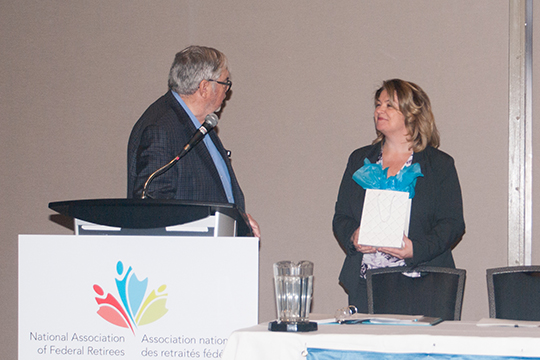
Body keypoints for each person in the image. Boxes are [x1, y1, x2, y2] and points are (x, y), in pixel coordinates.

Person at [332, 79, 465, 312]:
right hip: (367, 285)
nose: (379, 110)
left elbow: (452, 224)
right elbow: (341, 216)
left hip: (424, 284)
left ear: (412, 113)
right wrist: (353, 237)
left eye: (389, 105)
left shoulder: (440, 165)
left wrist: (416, 248)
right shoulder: (359, 159)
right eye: (378, 104)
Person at [127, 45, 260, 237]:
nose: (227, 92)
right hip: (185, 258)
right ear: (205, 87)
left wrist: (237, 220)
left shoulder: (200, 125)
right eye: (225, 83)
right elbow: (154, 210)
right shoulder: (161, 129)